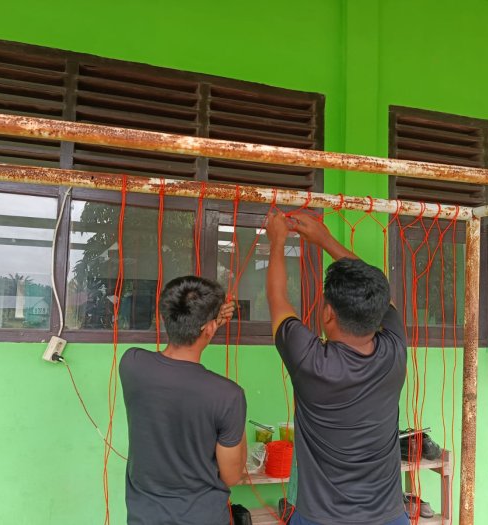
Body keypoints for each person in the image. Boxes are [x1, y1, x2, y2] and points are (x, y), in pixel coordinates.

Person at [265, 211, 408, 525]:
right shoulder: (395, 350)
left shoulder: (311, 361)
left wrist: (276, 242)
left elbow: (277, 297)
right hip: (390, 518)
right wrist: (326, 240)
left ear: (327, 314)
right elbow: (379, 292)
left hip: (321, 519)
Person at [119, 276, 247, 525]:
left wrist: (209, 323)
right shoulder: (228, 395)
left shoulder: (131, 363)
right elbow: (232, 476)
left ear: (162, 318)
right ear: (209, 329)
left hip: (144, 517)